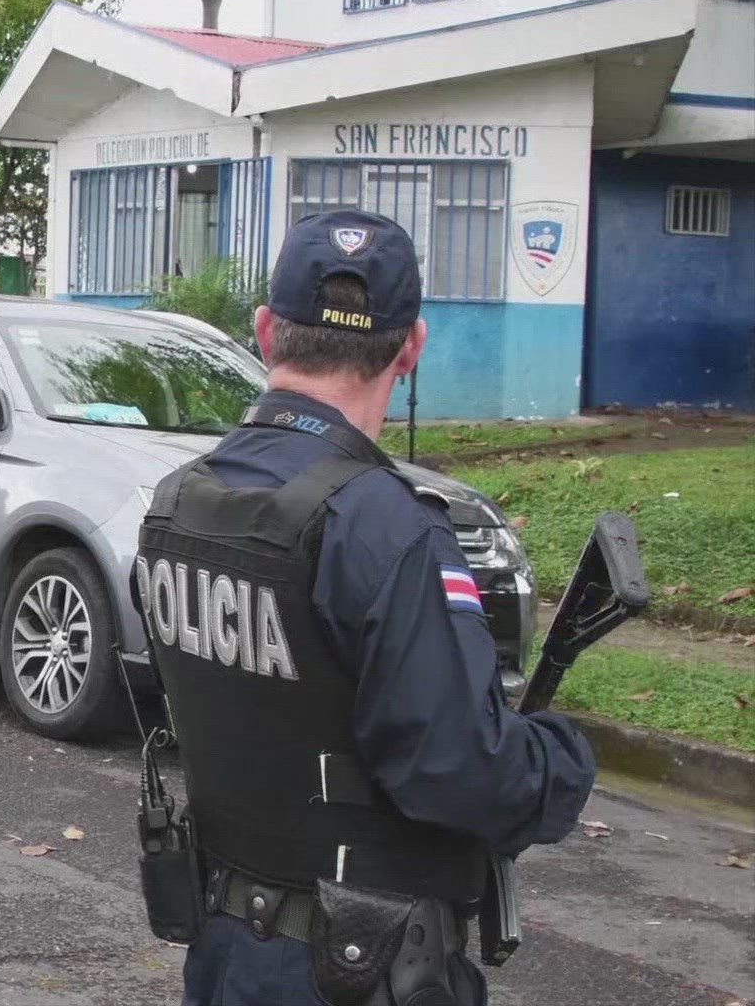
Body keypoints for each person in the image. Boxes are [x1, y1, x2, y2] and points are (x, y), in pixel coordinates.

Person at [133, 210, 597, 1006]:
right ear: (411, 347)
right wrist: (562, 759)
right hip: (359, 969)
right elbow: (458, 768)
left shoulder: (177, 505)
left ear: (266, 330)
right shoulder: (387, 527)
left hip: (227, 952)